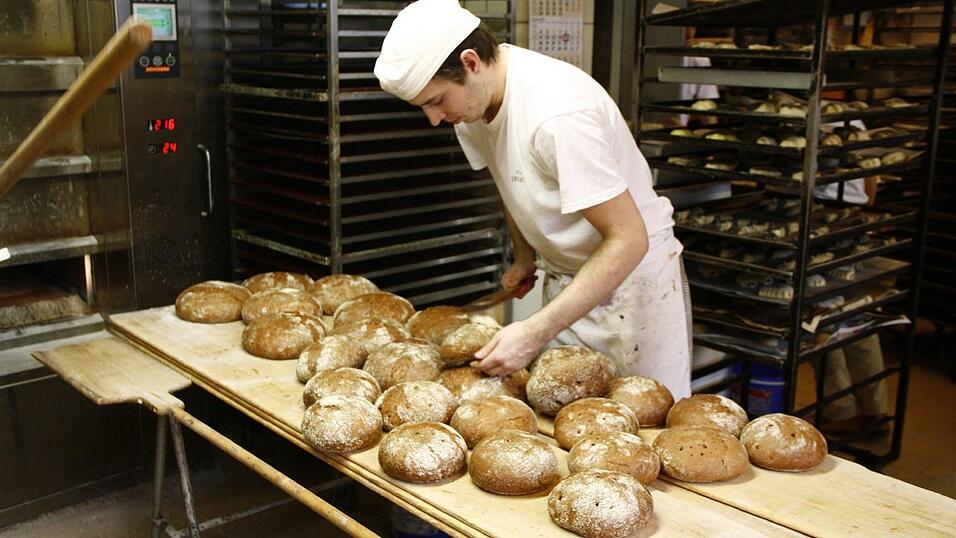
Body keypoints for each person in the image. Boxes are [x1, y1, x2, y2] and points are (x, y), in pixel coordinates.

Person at [374, 0, 692, 398]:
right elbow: (511, 179)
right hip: (569, 282)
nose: (434, 119)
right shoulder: (472, 106)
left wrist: (536, 330)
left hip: (632, 288)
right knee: (569, 414)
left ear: (471, 62)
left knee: (645, 420)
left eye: (436, 101)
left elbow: (629, 238)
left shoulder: (557, 114)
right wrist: (525, 255)